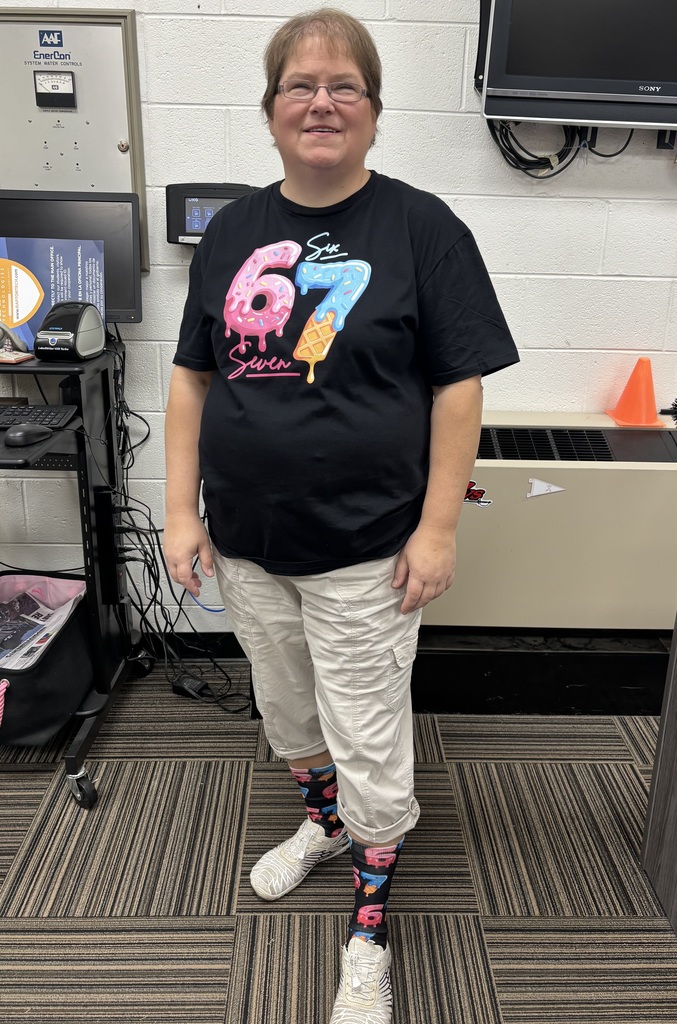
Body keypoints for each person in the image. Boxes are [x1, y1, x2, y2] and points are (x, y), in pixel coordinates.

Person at [164, 8, 519, 1022]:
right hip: (248, 542)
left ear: (371, 112)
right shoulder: (233, 230)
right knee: (289, 714)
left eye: (343, 87)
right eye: (299, 86)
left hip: (368, 548)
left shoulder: (419, 228)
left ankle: (368, 927)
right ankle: (321, 827)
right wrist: (180, 513)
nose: (321, 103)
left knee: (368, 741)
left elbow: (459, 390)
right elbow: (191, 376)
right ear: (270, 111)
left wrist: (438, 527)